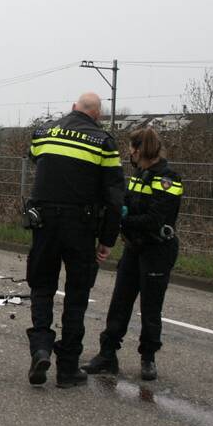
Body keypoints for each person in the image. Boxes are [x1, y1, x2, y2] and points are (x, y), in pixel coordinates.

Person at [25, 92, 125, 388]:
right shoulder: (104, 142)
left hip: (43, 223)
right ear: (97, 116)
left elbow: (34, 158)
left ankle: (41, 347)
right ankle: (68, 368)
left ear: (72, 108)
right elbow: (114, 197)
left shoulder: (43, 132)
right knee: (77, 296)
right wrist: (107, 239)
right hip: (81, 227)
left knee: (42, 287)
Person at [82, 126, 183, 381]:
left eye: (130, 148)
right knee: (120, 302)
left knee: (150, 307)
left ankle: (148, 358)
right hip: (134, 247)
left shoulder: (168, 178)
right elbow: (126, 201)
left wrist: (123, 221)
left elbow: (156, 218)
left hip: (157, 249)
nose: (129, 153)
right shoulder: (139, 174)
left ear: (138, 149)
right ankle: (107, 355)